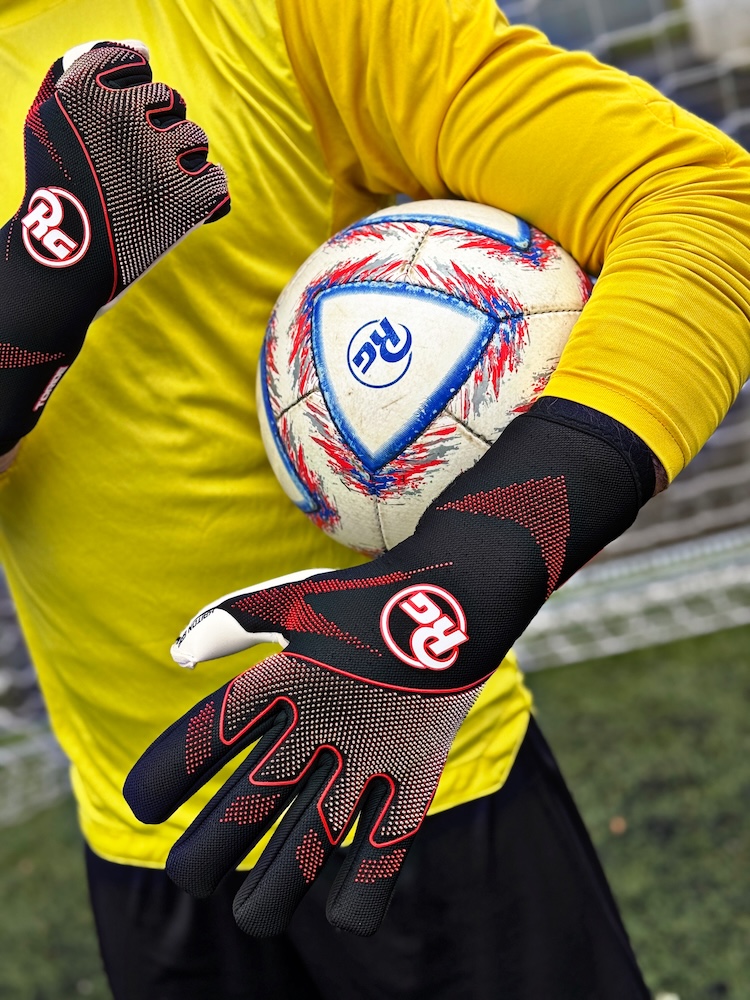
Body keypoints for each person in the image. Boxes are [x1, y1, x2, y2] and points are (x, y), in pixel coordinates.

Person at [0, 2, 748, 998]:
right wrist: (31, 295)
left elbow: (702, 200)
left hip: (417, 785)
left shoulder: (287, 14)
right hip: (143, 825)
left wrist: (470, 575)